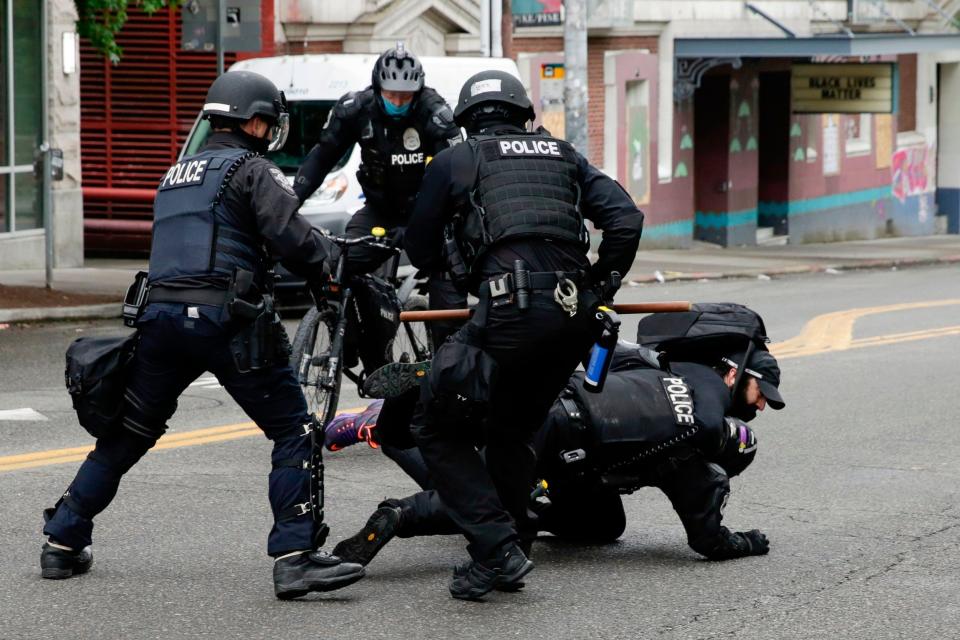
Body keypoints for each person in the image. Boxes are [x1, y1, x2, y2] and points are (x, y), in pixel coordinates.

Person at [40, 70, 365, 600]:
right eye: (268, 121)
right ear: (253, 121)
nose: (270, 131)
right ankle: (295, 558)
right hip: (226, 321)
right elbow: (293, 238)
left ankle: (62, 539)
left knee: (129, 434)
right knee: (293, 430)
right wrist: (337, 261)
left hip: (159, 321)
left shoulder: (175, 174)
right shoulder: (251, 168)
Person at [396, 69, 644, 600]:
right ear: (524, 115)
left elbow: (419, 250)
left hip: (509, 314)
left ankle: (495, 546)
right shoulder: (564, 155)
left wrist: (460, 265)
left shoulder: (457, 160)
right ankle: (514, 546)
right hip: (573, 319)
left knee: (434, 427)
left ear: (465, 121)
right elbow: (626, 218)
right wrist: (600, 286)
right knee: (512, 431)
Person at [326, 345, 784, 571]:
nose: (762, 404)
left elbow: (606, 359)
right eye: (760, 394)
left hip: (553, 402)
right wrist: (751, 541)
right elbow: (709, 541)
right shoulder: (697, 450)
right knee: (489, 502)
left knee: (607, 526)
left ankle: (387, 426)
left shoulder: (671, 370)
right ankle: (401, 514)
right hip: (559, 440)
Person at [293, 44, 466, 374]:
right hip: (378, 210)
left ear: (418, 91)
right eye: (391, 94)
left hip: (427, 214)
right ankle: (350, 339)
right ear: (376, 87)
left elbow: (457, 175)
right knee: (333, 265)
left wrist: (430, 226)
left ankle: (448, 372)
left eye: (406, 96)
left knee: (448, 291)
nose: (398, 102)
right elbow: (320, 159)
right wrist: (288, 205)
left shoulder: (434, 112)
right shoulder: (356, 109)